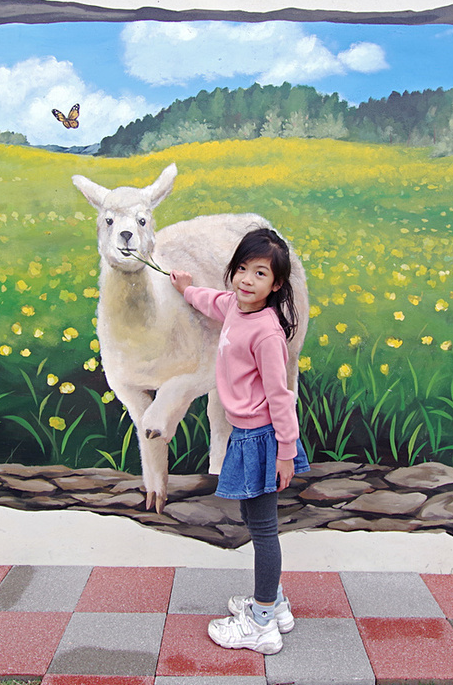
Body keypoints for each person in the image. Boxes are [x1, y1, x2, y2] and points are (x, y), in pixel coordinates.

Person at [170, 226, 310, 655]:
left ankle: (262, 621)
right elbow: (214, 302)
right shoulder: (236, 306)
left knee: (263, 530)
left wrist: (285, 453)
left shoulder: (266, 332)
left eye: (260, 273)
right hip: (246, 436)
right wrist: (187, 289)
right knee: (255, 521)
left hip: (263, 438)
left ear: (277, 284)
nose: (247, 280)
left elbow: (280, 396)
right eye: (242, 269)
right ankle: (276, 604)